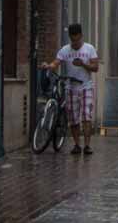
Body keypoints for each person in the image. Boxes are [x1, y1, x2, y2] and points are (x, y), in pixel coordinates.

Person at [41, 23, 99, 156]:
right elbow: (56, 62)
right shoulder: (65, 50)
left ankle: (87, 145)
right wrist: (48, 66)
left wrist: (83, 64)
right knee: (73, 118)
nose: (75, 43)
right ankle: (77, 145)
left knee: (86, 115)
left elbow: (96, 67)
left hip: (86, 86)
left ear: (81, 36)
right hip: (70, 87)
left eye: (77, 40)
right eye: (73, 40)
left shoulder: (89, 49)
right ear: (70, 38)